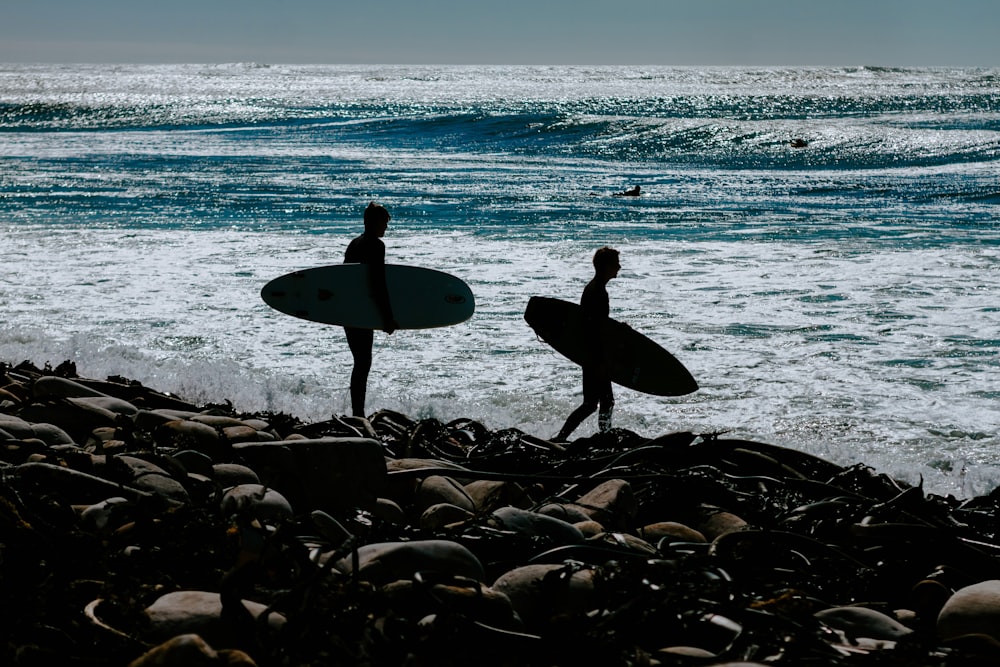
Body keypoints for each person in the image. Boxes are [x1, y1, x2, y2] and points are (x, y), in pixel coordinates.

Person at [554, 246, 621, 441]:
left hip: (590, 353)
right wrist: (599, 361)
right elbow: (593, 329)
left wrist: (618, 329)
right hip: (594, 355)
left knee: (593, 403)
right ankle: (603, 437)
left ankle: (564, 437)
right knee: (602, 402)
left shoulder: (595, 288)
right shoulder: (597, 291)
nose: (619, 267)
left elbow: (598, 324)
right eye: (616, 263)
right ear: (607, 266)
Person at [343, 202, 397, 417]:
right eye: (384, 222)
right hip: (362, 311)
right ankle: (358, 414)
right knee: (363, 362)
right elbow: (377, 284)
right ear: (373, 222)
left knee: (360, 361)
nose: (386, 227)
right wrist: (387, 318)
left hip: (348, 309)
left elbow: (345, 279)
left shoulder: (354, 243)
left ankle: (358, 411)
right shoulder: (376, 246)